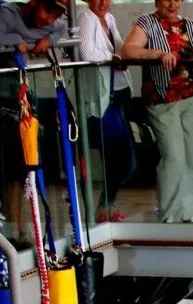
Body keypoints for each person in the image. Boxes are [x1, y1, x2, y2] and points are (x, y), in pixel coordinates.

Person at [0, 0, 67, 246]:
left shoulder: (49, 24)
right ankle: (2, 228)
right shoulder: (9, 14)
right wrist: (15, 41)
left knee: (20, 169)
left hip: (19, 98)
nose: (48, 19)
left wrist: (49, 41)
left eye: (54, 14)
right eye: (47, 10)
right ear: (34, 2)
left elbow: (61, 29)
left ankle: (17, 226)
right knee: (2, 169)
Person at [123, 0, 193, 224]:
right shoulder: (147, 22)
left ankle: (191, 213)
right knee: (173, 156)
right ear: (157, 2)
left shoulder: (190, 25)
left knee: (192, 157)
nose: (172, 4)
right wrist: (158, 54)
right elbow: (128, 50)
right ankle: (170, 214)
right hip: (161, 99)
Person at [77, 0, 136, 223]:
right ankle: (104, 206)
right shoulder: (85, 17)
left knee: (118, 160)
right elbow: (86, 53)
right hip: (102, 100)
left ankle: (106, 208)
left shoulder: (109, 19)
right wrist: (111, 57)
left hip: (119, 93)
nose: (103, 3)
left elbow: (121, 48)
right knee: (126, 161)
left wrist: (124, 55)